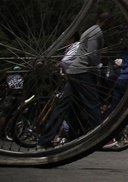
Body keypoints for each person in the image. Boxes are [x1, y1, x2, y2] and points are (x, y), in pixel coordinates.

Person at [39, 13, 110, 147]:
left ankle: (45, 140)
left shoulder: (89, 29)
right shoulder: (97, 32)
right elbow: (92, 55)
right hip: (83, 71)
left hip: (74, 71)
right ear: (107, 21)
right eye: (111, 22)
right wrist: (97, 74)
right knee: (92, 104)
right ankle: (101, 137)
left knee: (63, 106)